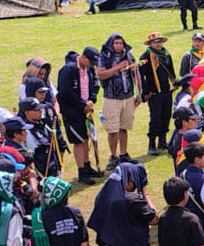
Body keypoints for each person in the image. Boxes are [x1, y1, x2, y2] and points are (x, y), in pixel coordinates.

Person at [57, 48, 101, 184]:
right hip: (72, 112)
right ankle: (81, 171)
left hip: (86, 109)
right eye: (90, 62)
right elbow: (64, 92)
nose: (91, 65)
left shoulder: (89, 69)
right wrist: (83, 104)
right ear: (83, 57)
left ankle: (87, 166)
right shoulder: (68, 70)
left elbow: (94, 84)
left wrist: (91, 100)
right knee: (79, 141)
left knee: (86, 138)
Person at [96, 33, 139, 166]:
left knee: (124, 127)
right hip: (111, 97)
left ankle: (123, 153)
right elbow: (101, 75)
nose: (119, 46)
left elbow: (136, 74)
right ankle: (113, 156)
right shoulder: (104, 56)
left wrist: (139, 93)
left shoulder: (128, 55)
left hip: (128, 96)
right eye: (116, 43)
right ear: (111, 44)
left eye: (121, 43)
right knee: (112, 129)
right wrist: (118, 67)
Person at [138, 33, 177, 157]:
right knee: (155, 118)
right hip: (154, 93)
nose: (158, 43)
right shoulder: (145, 56)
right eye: (155, 42)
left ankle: (162, 140)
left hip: (166, 91)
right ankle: (151, 144)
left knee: (166, 116)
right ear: (150, 44)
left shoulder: (166, 54)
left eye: (159, 41)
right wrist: (146, 91)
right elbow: (140, 75)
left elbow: (171, 70)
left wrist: (174, 82)